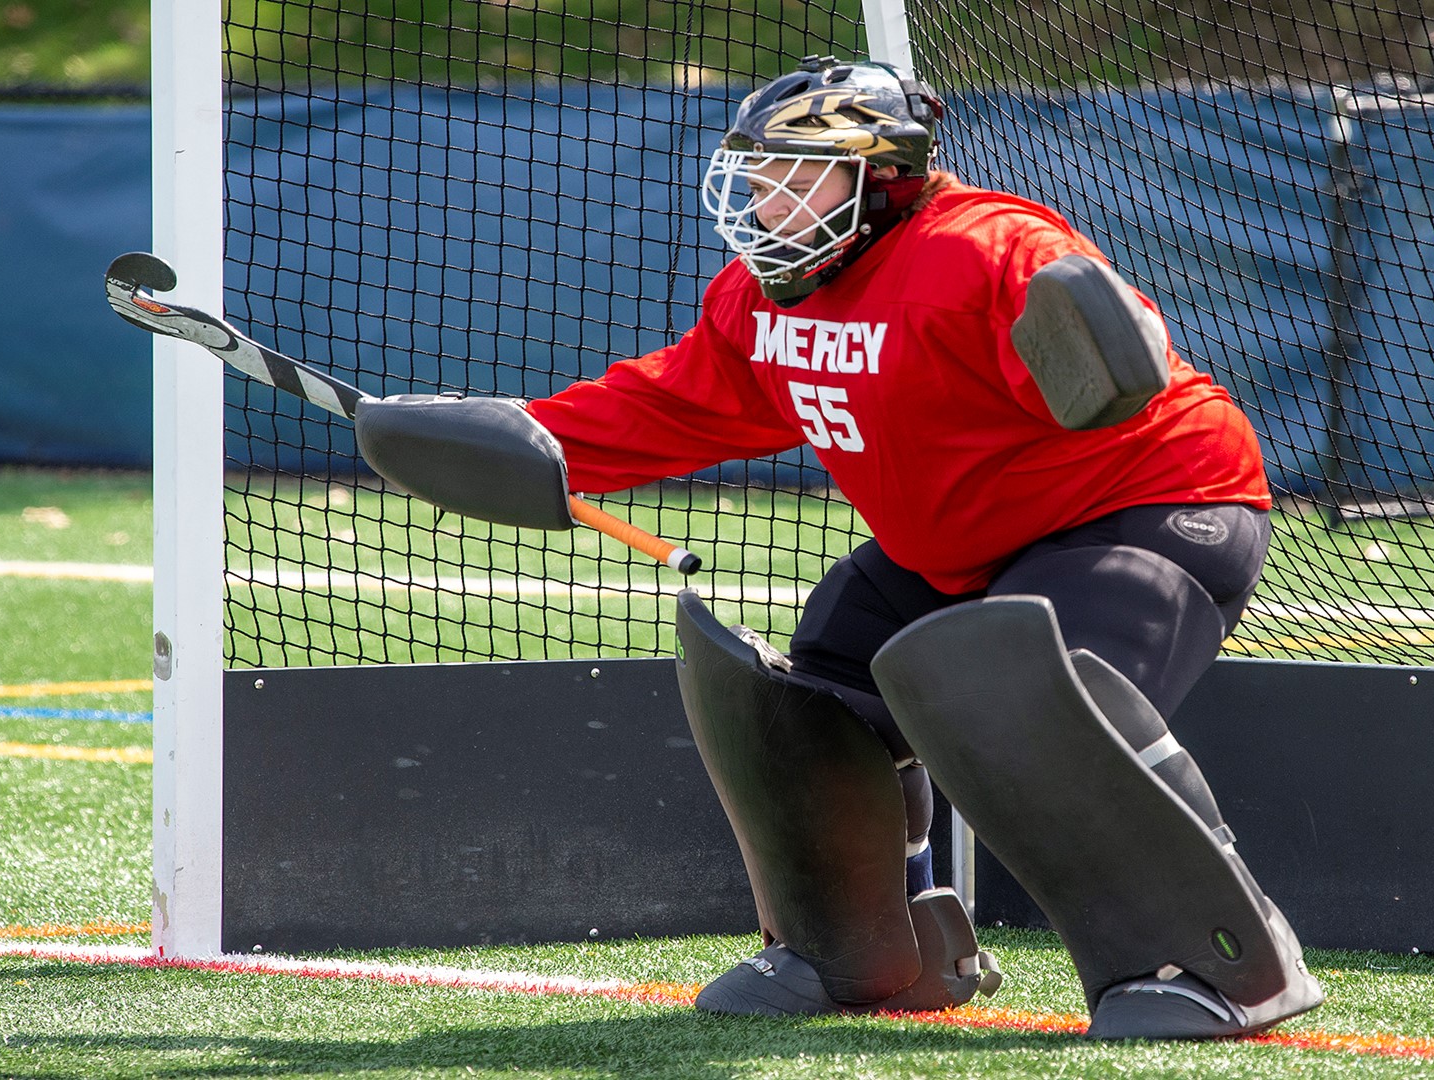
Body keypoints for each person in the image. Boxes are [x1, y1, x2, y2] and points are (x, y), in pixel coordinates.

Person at [504, 54, 1323, 1038]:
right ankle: (866, 955)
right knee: (811, 703)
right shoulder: (762, 299)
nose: (767, 199)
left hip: (1151, 505)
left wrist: (1109, 342)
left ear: (879, 177)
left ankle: (1225, 964)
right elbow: (666, 402)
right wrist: (518, 437)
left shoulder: (983, 247)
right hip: (964, 547)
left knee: (1048, 699)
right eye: (759, 174)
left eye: (795, 173)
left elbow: (1104, 336)